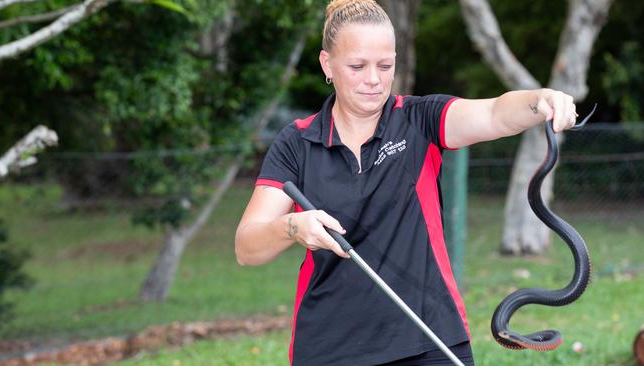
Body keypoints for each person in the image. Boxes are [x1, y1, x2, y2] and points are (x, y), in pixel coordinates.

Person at [234, 0, 578, 365]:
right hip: (329, 349)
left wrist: (540, 100)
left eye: (385, 65)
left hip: (430, 339)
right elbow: (248, 247)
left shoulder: (418, 120)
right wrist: (292, 225)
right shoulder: (297, 142)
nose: (373, 79)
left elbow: (493, 112)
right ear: (327, 64)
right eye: (357, 66)